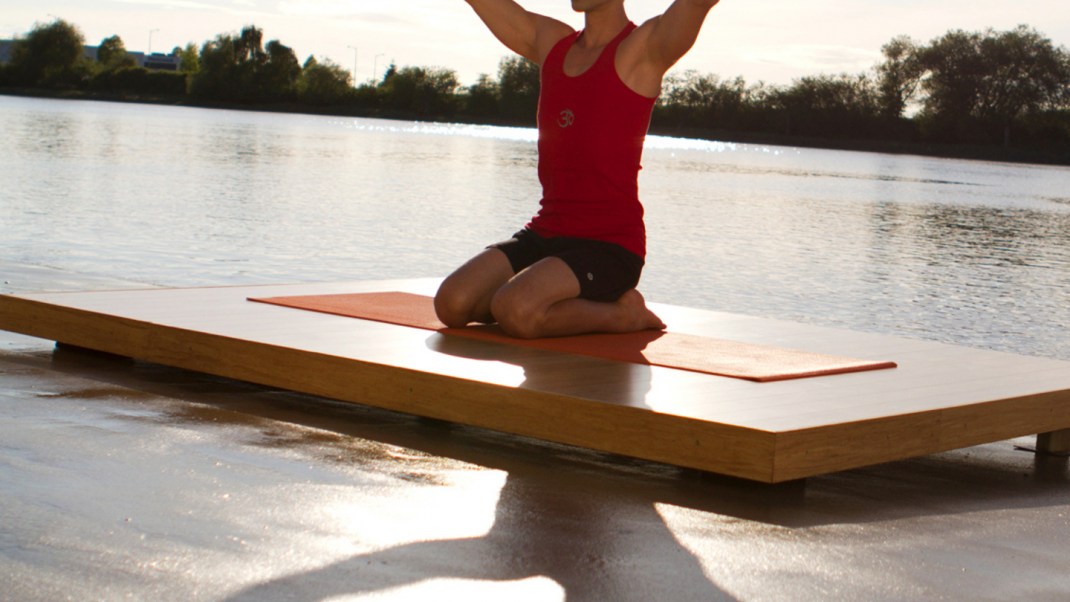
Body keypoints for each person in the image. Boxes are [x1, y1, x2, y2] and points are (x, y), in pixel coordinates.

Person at [435, 0, 721, 339]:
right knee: (452, 304)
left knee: (516, 310)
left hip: (608, 246)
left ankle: (624, 314)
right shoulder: (552, 42)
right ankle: (544, 296)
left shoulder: (641, 49)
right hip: (546, 232)